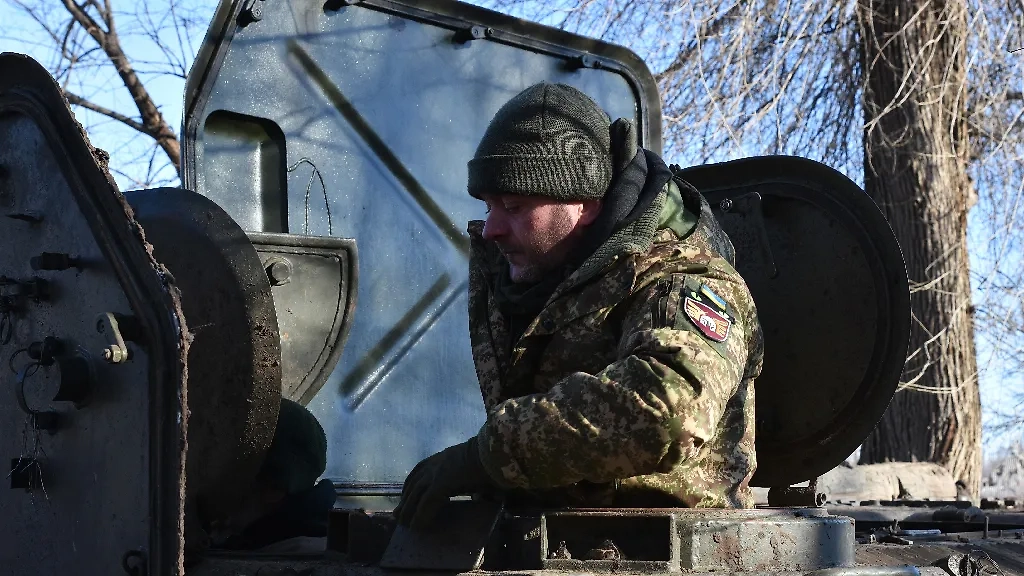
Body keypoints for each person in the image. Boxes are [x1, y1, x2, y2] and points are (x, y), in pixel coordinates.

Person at [394, 83, 764, 530]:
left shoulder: (682, 280)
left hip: (672, 544)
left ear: (585, 203)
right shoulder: (533, 274)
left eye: (513, 206)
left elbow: (667, 412)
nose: (491, 229)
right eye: (489, 206)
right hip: (548, 538)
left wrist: (490, 455)